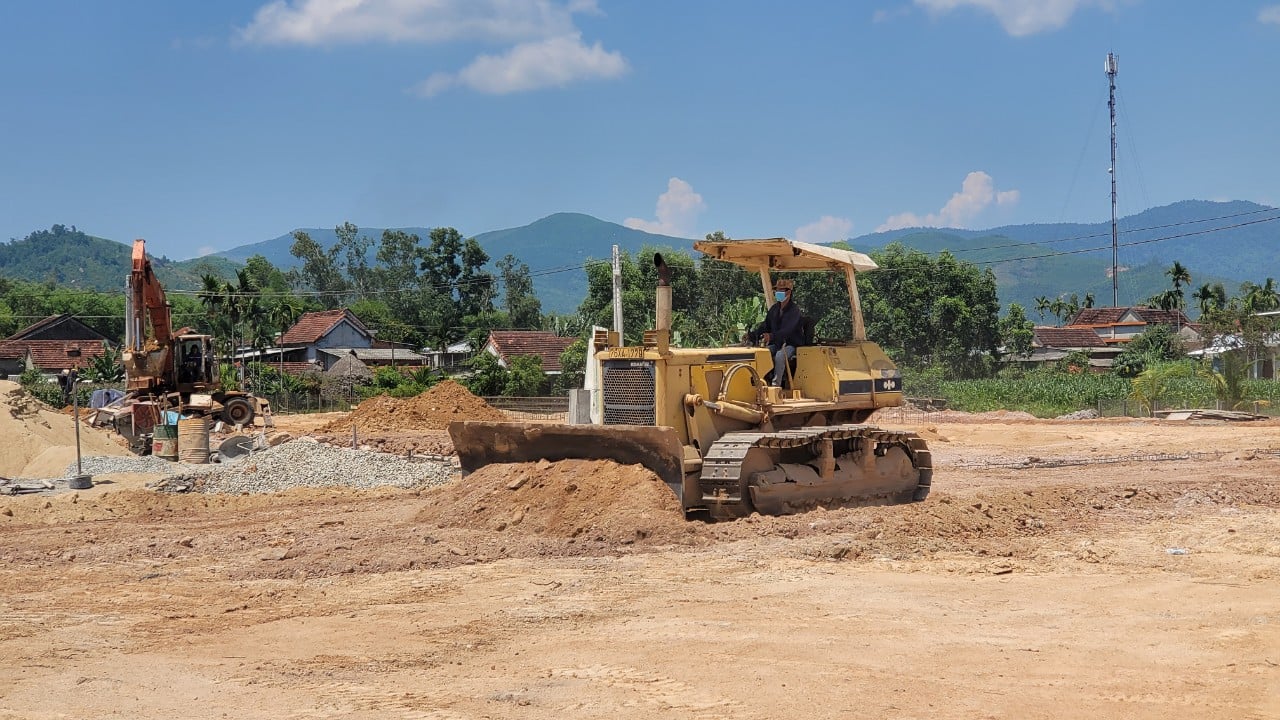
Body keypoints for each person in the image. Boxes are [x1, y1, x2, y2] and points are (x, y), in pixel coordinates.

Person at [752, 278, 805, 388]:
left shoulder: (794, 311)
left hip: (791, 344)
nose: (777, 293)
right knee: (761, 352)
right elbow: (765, 325)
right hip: (777, 343)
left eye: (780, 290)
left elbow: (787, 331)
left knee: (780, 355)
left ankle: (776, 386)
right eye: (776, 290)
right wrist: (752, 334)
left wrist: (771, 336)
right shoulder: (774, 309)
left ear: (789, 292)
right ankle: (759, 383)